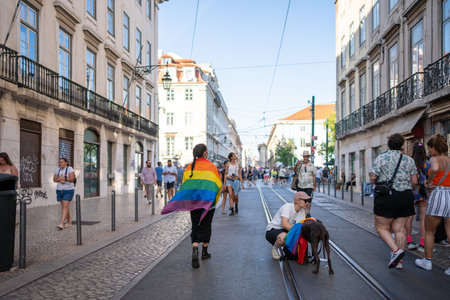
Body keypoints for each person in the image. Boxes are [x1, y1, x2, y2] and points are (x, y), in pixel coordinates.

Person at [161, 144, 222, 268]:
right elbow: (217, 184)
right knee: (206, 225)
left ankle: (195, 247)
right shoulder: (211, 167)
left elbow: (185, 185)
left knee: (195, 225)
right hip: (208, 202)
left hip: (194, 202)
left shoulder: (189, 168)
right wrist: (215, 198)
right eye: (207, 151)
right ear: (205, 153)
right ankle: (204, 251)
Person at [369, 133, 418, 269]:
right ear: (402, 144)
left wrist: (373, 178)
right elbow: (414, 181)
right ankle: (399, 263)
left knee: (381, 227)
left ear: (389, 144)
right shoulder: (409, 160)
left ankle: (396, 251)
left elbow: (373, 178)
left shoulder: (381, 158)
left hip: (387, 196)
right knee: (399, 229)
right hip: (405, 197)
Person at [415, 134, 450, 275]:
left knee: (430, 230)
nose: (428, 151)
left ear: (434, 148)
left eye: (429, 148)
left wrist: (430, 181)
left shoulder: (435, 159)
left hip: (439, 194)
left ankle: (427, 261)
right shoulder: (449, 159)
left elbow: (434, 168)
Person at [265, 191, 309, 259]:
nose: (307, 203)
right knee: (285, 238)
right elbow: (284, 224)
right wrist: (297, 232)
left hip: (288, 231)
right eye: (305, 200)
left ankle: (287, 249)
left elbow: (301, 226)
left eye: (308, 201)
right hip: (274, 230)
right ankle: (275, 248)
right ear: (297, 200)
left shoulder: (302, 211)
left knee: (293, 255)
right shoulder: (287, 207)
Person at [406, 142, 430, 251]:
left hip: (412, 191)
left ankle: (409, 241)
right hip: (423, 193)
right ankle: (422, 244)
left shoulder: (410, 163)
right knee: (423, 218)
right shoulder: (427, 163)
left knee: (409, 217)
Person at [53, 158, 75, 230]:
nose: (60, 164)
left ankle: (61, 223)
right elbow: (54, 179)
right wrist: (59, 179)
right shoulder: (57, 169)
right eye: (59, 162)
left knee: (65, 206)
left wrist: (64, 179)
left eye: (62, 162)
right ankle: (69, 222)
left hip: (68, 190)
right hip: (59, 190)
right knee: (65, 206)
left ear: (66, 163)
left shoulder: (70, 169)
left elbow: (72, 179)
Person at [294, 151, 316, 217]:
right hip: (300, 185)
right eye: (304, 156)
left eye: (307, 156)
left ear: (309, 157)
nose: (305, 158)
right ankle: (302, 213)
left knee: (308, 200)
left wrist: (314, 185)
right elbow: (294, 170)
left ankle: (308, 212)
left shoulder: (312, 165)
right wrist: (296, 165)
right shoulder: (300, 164)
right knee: (300, 200)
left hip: (309, 185)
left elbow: (314, 175)